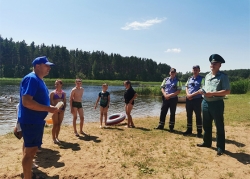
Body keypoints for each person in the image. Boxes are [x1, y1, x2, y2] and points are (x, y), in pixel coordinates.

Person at [18, 56, 58, 179]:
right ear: (37, 66)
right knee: (30, 151)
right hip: (31, 121)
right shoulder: (32, 79)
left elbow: (37, 100)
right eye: (46, 65)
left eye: (49, 66)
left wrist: (50, 107)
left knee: (31, 149)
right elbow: (26, 102)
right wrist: (48, 109)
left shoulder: (39, 79)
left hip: (35, 121)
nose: (49, 68)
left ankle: (28, 174)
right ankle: (27, 177)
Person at [197, 54, 230, 156]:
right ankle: (207, 142)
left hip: (217, 103)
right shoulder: (207, 76)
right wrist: (202, 91)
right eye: (212, 63)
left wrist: (212, 94)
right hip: (205, 103)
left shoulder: (223, 77)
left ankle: (220, 147)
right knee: (206, 124)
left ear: (220, 65)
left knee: (219, 125)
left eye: (215, 63)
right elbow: (204, 87)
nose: (213, 64)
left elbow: (227, 91)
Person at [183, 65, 204, 137]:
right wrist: (188, 94)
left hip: (197, 100)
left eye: (196, 70)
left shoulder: (202, 79)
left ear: (199, 71)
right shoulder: (189, 78)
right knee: (189, 115)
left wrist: (191, 95)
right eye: (194, 70)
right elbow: (186, 87)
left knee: (198, 116)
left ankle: (199, 132)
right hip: (188, 99)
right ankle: (189, 130)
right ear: (192, 70)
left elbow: (201, 90)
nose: (195, 71)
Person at [50, 79, 66, 144]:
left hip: (61, 110)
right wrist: (55, 108)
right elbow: (50, 103)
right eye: (55, 84)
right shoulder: (52, 93)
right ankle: (53, 138)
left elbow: (65, 102)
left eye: (57, 84)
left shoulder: (63, 93)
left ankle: (57, 137)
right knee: (55, 124)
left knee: (59, 124)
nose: (56, 85)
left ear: (61, 85)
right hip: (55, 110)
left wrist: (63, 109)